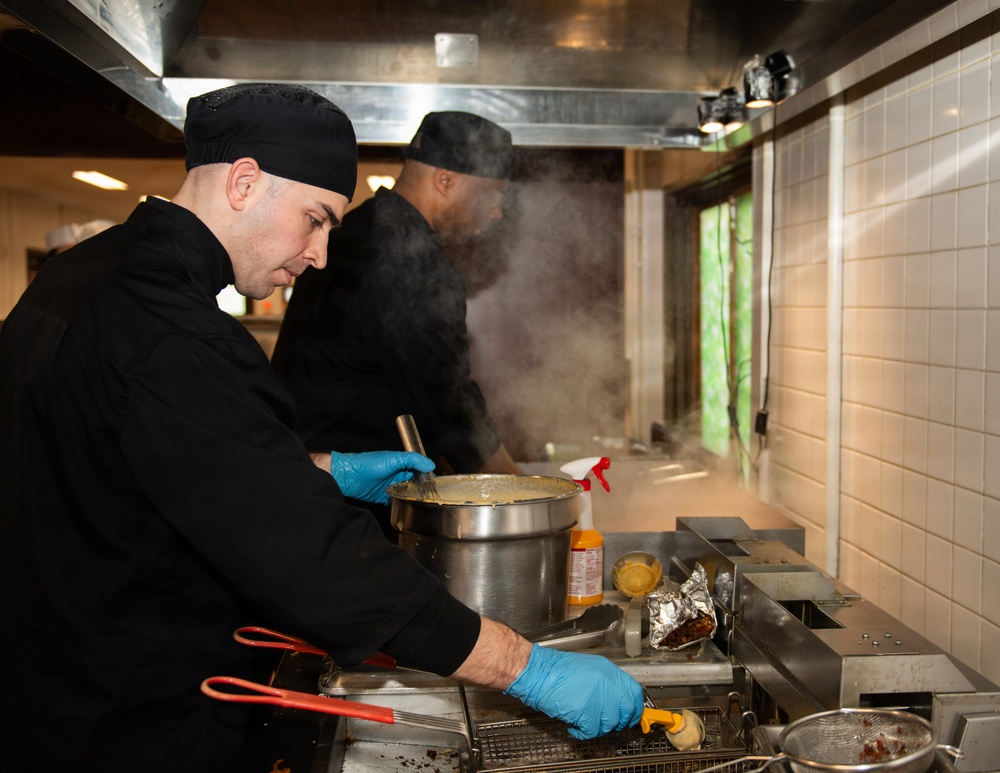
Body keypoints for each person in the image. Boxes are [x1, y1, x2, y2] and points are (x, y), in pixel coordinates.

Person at [0, 84, 644, 773]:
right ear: (244, 182)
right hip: (124, 714)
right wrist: (528, 669)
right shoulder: (171, 331)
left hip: (51, 678)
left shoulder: (82, 277)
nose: (321, 255)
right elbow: (316, 561)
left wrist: (318, 468)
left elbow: (143, 462)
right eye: (315, 219)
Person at [271, 111, 522, 539]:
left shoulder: (352, 233)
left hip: (292, 482)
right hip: (349, 515)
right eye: (492, 194)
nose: (497, 212)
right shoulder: (414, 263)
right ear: (446, 181)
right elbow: (454, 410)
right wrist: (524, 499)